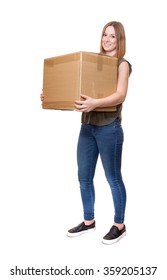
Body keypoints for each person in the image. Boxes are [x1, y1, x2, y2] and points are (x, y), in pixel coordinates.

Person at [41, 21, 132, 245]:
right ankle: (88, 221)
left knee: (113, 178)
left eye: (112, 36)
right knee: (83, 177)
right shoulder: (92, 63)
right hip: (87, 128)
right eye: (104, 35)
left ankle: (119, 225)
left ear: (120, 40)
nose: (107, 40)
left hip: (109, 127)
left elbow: (120, 95)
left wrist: (96, 103)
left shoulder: (122, 64)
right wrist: (53, 95)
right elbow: (80, 95)